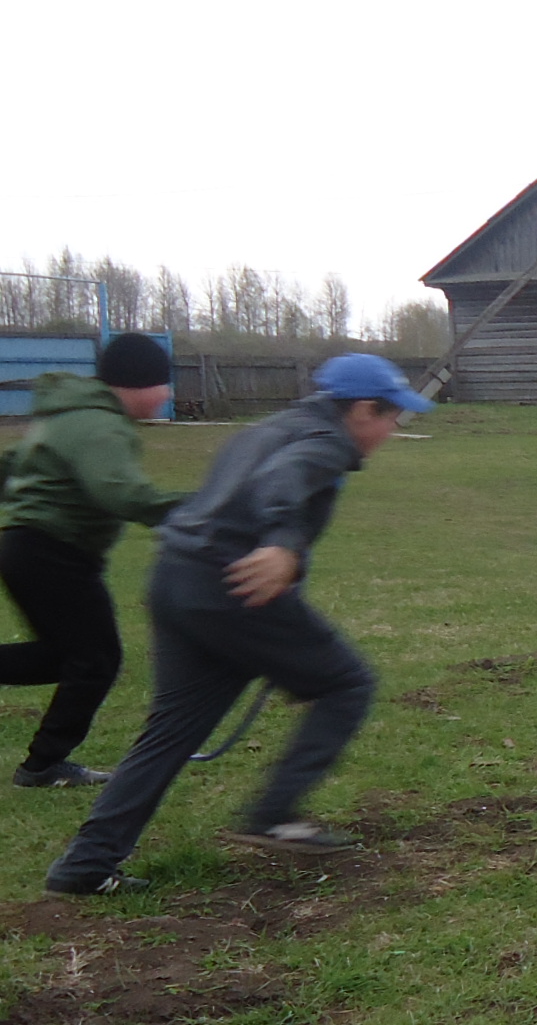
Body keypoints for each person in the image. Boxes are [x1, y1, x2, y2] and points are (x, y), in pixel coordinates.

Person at [45, 356, 430, 896]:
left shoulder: (269, 428)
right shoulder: (327, 440)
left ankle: (85, 865)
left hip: (177, 577)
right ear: (365, 409)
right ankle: (274, 815)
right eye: (392, 417)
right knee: (347, 683)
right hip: (237, 584)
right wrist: (283, 542)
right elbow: (281, 481)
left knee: (171, 731)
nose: (392, 430)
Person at [0, 333, 188, 788]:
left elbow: (11, 468)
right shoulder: (100, 426)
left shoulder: (67, 415)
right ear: (136, 383)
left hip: (26, 549)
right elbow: (120, 493)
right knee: (96, 660)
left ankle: (43, 763)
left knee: (66, 657)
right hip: (55, 553)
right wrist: (200, 509)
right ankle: (42, 766)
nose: (166, 394)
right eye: (161, 383)